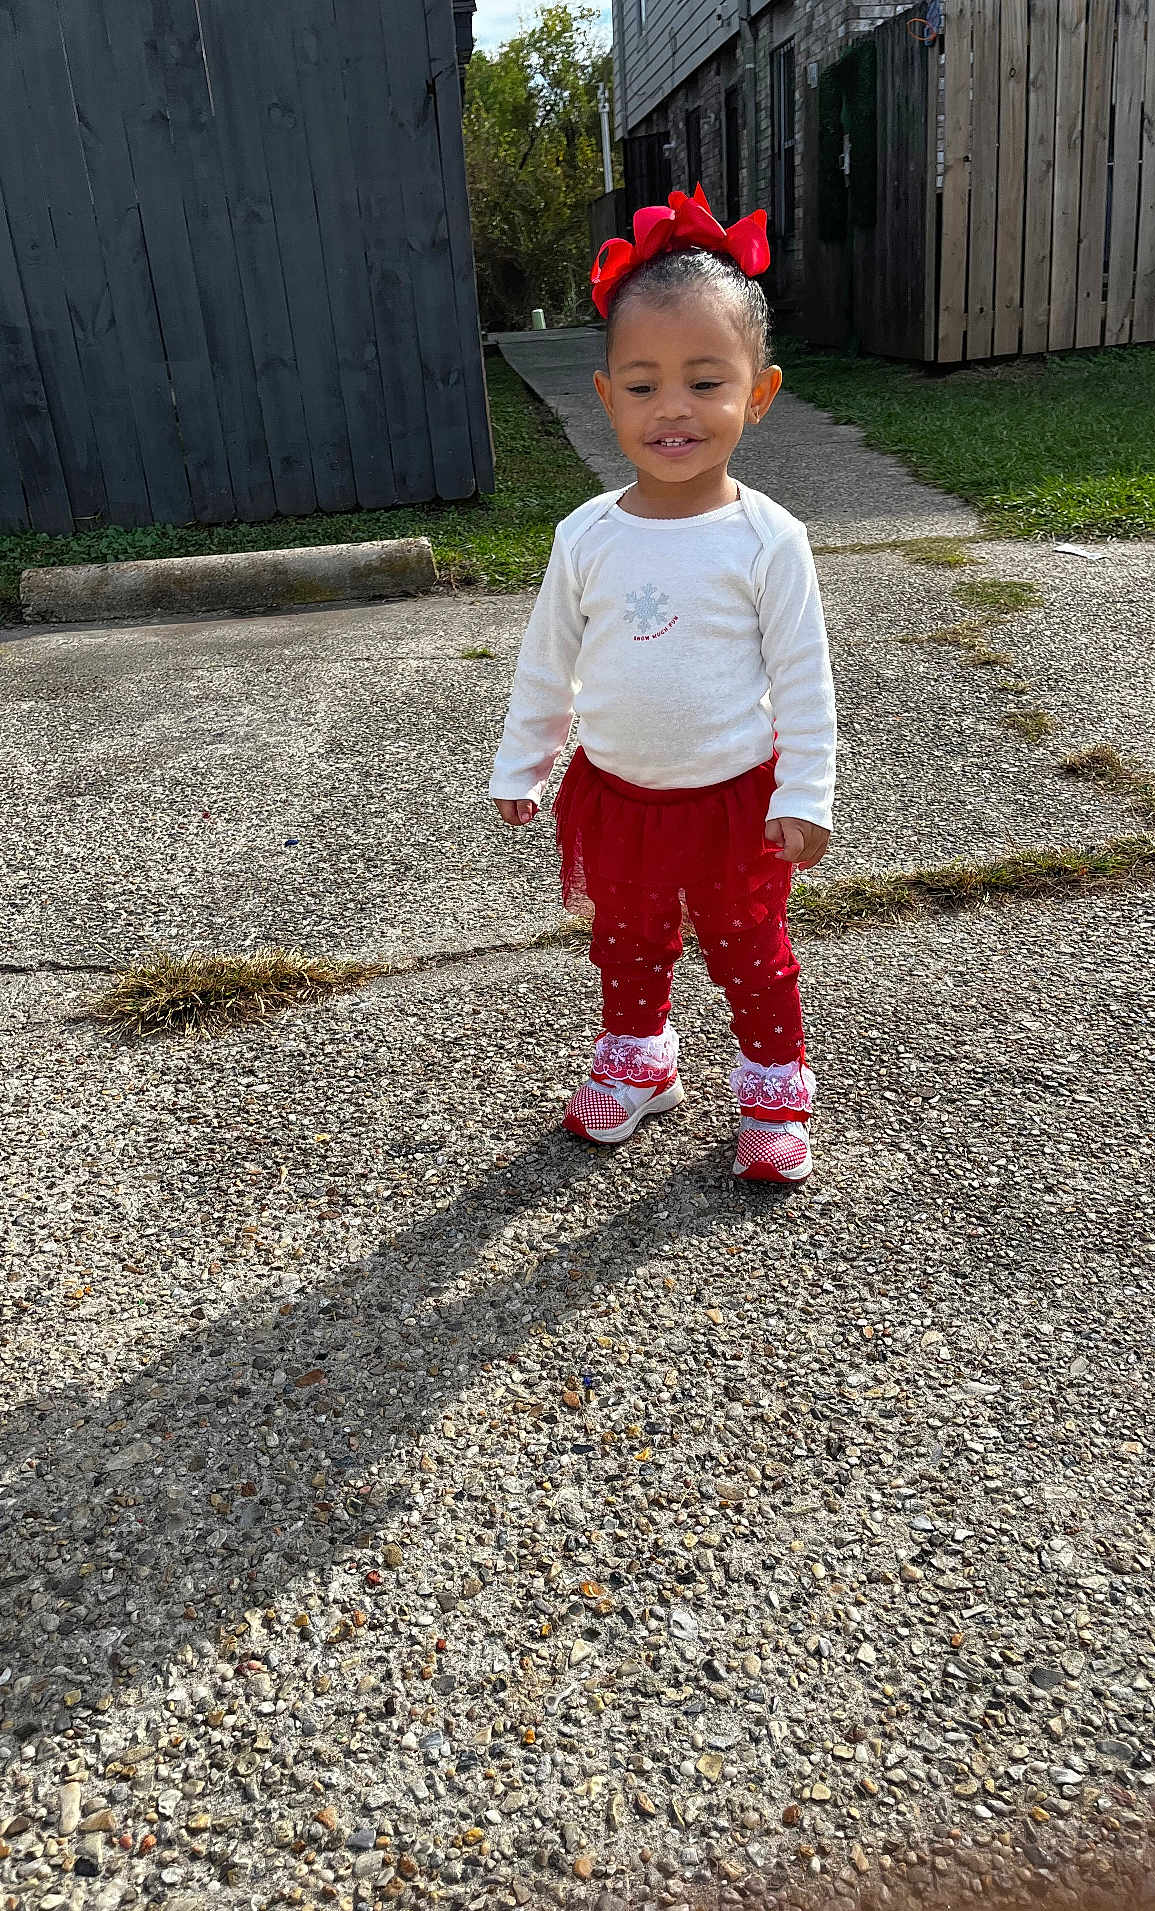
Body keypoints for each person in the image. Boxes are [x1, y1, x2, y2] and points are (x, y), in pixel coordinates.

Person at [488, 187, 836, 1184]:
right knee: (627, 941)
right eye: (642, 385)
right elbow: (548, 659)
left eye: (704, 381)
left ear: (758, 394)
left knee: (748, 951)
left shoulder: (768, 539)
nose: (672, 408)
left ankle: (774, 1090)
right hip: (619, 796)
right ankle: (641, 1063)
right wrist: (524, 762)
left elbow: (804, 679)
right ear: (606, 397)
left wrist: (805, 793)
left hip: (735, 800)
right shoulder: (586, 536)